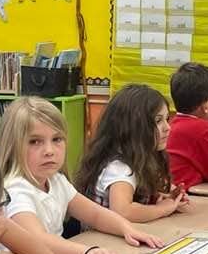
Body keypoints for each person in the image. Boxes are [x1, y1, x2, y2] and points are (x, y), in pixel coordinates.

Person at [0, 97, 162, 254]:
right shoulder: (15, 189)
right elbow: (37, 240)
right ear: (13, 146)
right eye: (35, 141)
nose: (49, 151)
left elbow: (95, 215)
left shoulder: (56, 181)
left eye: (57, 139)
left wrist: (126, 229)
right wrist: (87, 252)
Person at [75, 84, 190, 222]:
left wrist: (166, 196)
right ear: (133, 128)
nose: (168, 128)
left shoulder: (141, 157)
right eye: (158, 121)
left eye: (167, 119)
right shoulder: (119, 168)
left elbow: (139, 192)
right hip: (100, 240)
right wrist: (164, 209)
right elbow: (123, 211)